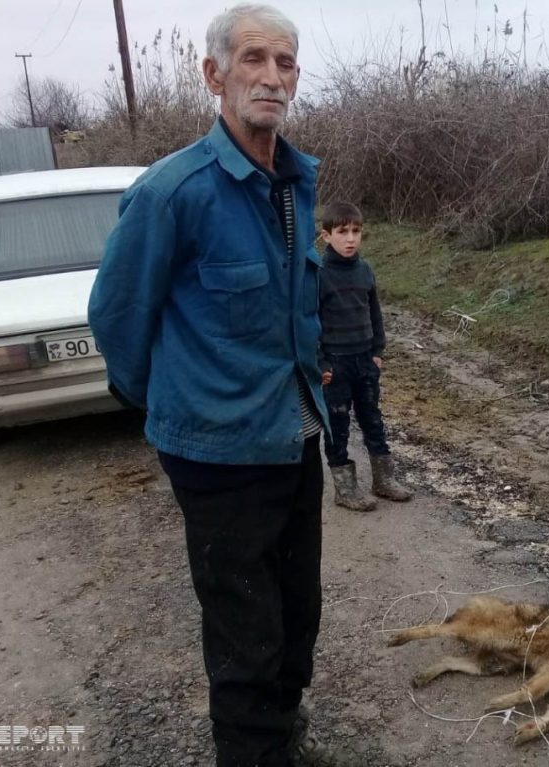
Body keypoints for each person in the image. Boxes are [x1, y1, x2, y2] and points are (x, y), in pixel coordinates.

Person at [88, 4, 346, 765]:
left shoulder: (296, 182)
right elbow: (118, 315)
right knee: (245, 631)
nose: (271, 76)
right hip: (219, 456)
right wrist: (178, 406)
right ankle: (252, 751)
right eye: (253, 59)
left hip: (297, 435)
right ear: (214, 75)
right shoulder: (175, 191)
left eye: (286, 62)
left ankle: (284, 732)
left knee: (298, 612)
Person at [317, 202, 413, 511]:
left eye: (356, 232)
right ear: (326, 236)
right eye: (342, 232)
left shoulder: (365, 269)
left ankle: (383, 480)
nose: (350, 239)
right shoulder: (318, 274)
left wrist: (377, 352)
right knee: (338, 425)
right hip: (335, 365)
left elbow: (374, 313)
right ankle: (345, 489)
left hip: (364, 361)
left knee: (373, 419)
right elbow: (309, 321)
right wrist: (320, 362)